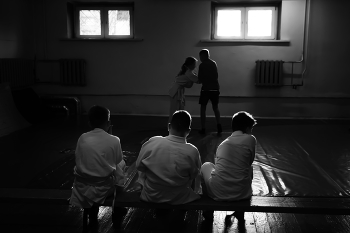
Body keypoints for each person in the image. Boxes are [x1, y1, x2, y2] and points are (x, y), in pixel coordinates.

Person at [128, 110, 202, 205]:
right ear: (189, 131)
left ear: (169, 126)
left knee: (144, 167)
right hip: (180, 198)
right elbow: (194, 175)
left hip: (151, 196)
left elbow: (139, 166)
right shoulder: (192, 150)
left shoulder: (153, 142)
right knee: (192, 173)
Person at [69, 105, 127, 226]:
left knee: (97, 166)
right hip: (104, 187)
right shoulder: (114, 139)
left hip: (82, 186)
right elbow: (117, 160)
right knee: (121, 165)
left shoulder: (82, 138)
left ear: (89, 123)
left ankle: (92, 213)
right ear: (108, 122)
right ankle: (117, 210)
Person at [200, 111, 257, 222]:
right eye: (251, 129)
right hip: (242, 193)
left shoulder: (223, 144)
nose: (251, 132)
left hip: (217, 192)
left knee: (206, 166)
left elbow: (218, 167)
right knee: (249, 168)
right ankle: (240, 212)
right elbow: (249, 162)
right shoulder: (251, 139)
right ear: (246, 128)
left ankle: (208, 209)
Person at [197, 49, 222, 135]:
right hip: (215, 88)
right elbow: (216, 75)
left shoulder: (202, 65)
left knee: (203, 108)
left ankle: (203, 128)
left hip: (206, 89)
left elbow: (200, 79)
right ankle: (219, 126)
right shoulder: (214, 63)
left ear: (202, 56)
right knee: (215, 107)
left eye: (200, 56)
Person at [168, 57, 199, 123]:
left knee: (177, 110)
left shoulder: (187, 71)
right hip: (176, 92)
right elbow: (198, 80)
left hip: (176, 91)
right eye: (194, 64)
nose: (195, 66)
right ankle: (171, 127)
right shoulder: (189, 73)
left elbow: (189, 84)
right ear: (190, 65)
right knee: (175, 111)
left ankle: (174, 126)